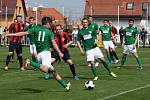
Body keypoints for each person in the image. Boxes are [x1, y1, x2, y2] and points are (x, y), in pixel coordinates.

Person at [6, 16, 71, 91]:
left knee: (53, 71)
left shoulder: (36, 28)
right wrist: (59, 52)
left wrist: (11, 34)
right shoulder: (49, 32)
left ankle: (65, 86)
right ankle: (29, 62)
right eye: (50, 23)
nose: (51, 25)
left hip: (39, 53)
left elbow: (24, 33)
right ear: (47, 23)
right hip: (45, 53)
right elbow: (54, 44)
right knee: (46, 69)